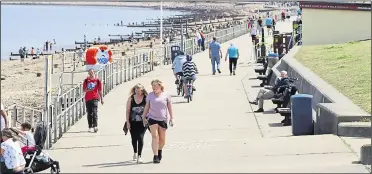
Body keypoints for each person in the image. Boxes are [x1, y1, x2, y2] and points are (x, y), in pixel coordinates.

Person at [142, 80, 174, 164]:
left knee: (162, 140)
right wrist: (143, 116)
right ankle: (155, 156)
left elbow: (170, 107)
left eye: (155, 86)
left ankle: (159, 151)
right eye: (152, 86)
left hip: (163, 119)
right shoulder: (150, 95)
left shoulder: (166, 95)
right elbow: (147, 106)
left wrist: (172, 118)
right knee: (155, 136)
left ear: (160, 86)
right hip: (152, 118)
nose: (153, 88)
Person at [126, 83, 148, 163]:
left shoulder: (146, 98)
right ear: (134, 90)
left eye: (140, 91)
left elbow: (150, 108)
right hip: (133, 121)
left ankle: (139, 156)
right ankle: (135, 152)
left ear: (142, 91)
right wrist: (127, 122)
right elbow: (128, 111)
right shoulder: (131, 98)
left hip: (143, 121)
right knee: (134, 138)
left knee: (140, 137)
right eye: (137, 90)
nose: (138, 92)